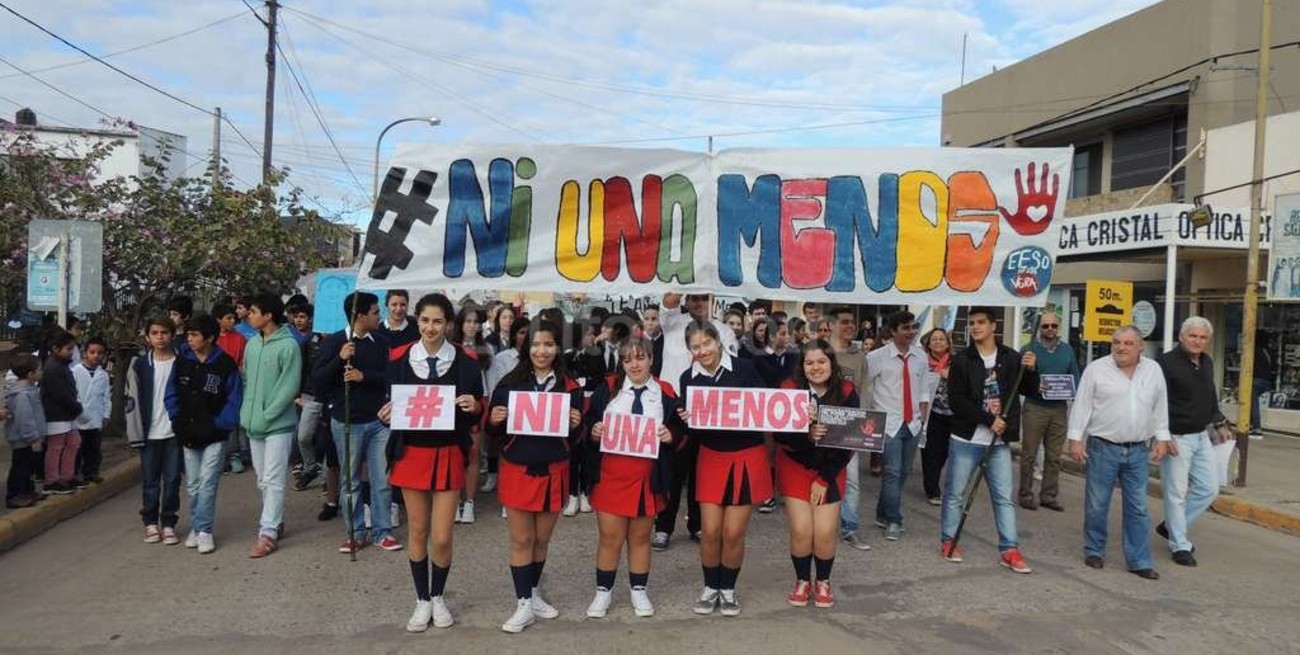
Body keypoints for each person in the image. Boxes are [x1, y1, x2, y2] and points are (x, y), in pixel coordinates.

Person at [380, 293, 483, 632]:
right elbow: (390, 403)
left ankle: (438, 595)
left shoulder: (467, 362)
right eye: (424, 320)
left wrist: (474, 407)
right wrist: (386, 414)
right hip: (411, 453)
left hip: (449, 452)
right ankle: (421, 599)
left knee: (441, 536)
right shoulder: (398, 358)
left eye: (437, 321)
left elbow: (478, 408)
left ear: (448, 324)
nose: (430, 327)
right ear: (417, 321)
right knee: (418, 530)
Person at [486, 321, 584, 633]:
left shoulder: (570, 388)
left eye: (549, 345)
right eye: (537, 344)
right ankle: (523, 604)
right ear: (527, 347)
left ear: (558, 348)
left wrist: (577, 424)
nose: (542, 351)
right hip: (518, 469)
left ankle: (532, 593)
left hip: (554, 470)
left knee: (541, 540)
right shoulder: (509, 385)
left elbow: (577, 438)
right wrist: (494, 420)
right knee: (521, 539)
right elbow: (492, 432)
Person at [582, 337, 681, 619]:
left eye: (640, 358)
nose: (634, 365)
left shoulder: (665, 392)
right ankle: (603, 592)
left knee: (640, 537)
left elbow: (679, 427)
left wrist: (671, 435)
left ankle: (639, 590)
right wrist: (594, 430)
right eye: (627, 360)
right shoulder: (607, 388)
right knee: (610, 538)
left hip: (647, 475)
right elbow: (588, 422)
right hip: (611, 473)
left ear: (651, 359)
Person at [678, 320, 771, 617]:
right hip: (711, 457)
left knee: (733, 532)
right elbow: (691, 430)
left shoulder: (745, 368)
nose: (702, 350)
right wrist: (684, 418)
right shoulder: (687, 378)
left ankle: (728, 589)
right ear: (690, 350)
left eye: (707, 343)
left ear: (718, 341)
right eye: (696, 346)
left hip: (747, 456)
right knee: (710, 531)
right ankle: (710, 587)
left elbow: (767, 408)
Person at [1068, 325, 1170, 580]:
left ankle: (1139, 561)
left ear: (1140, 346)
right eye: (1116, 342)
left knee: (1138, 508)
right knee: (1097, 504)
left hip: (1138, 450)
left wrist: (1162, 437)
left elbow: (1160, 406)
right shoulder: (1096, 369)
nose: (1121, 347)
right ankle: (1094, 550)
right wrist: (1076, 438)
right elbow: (1082, 404)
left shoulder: (1153, 370)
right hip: (1103, 447)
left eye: (1127, 343)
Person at [940, 307, 1037, 574]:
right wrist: (988, 419)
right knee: (955, 494)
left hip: (999, 442)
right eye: (972, 323)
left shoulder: (1011, 357)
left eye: (981, 322)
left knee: (1003, 497)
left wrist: (1031, 370)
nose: (975, 327)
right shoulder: (962, 359)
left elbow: (1028, 389)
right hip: (966, 439)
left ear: (993, 326)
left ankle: (1009, 549)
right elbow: (956, 400)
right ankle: (948, 540)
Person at [313, 291, 400, 554]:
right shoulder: (334, 342)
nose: (379, 316)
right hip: (347, 421)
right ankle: (355, 532)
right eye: (375, 312)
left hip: (378, 421)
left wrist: (365, 377)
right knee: (350, 481)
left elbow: (391, 377)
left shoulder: (381, 342)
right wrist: (339, 359)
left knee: (381, 479)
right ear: (360, 315)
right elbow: (318, 380)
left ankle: (383, 531)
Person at [653, 294, 739, 551]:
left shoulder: (724, 330)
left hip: (710, 408)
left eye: (704, 298)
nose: (699, 303)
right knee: (672, 471)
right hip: (674, 405)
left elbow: (730, 368)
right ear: (686, 299)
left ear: (712, 299)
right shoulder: (671, 321)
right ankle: (663, 527)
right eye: (693, 298)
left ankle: (697, 524)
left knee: (701, 470)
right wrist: (690, 277)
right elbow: (669, 299)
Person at [776, 340, 857, 609]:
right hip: (795, 466)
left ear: (832, 363)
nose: (815, 367)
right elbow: (780, 436)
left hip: (831, 468)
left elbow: (849, 442)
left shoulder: (847, 391)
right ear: (802, 366)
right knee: (801, 530)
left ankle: (823, 581)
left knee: (824, 532)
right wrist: (807, 433)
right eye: (809, 363)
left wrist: (825, 478)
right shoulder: (788, 389)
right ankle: (802, 581)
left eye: (821, 361)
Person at [1155, 316, 1234, 567]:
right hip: (1176, 438)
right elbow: (1155, 402)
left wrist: (1219, 422)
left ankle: (1171, 526)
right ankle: (1179, 545)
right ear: (1181, 336)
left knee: (1209, 489)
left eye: (1202, 337)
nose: (1197, 341)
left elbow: (1209, 395)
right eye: (1192, 336)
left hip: (1201, 436)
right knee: (1176, 493)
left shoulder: (1206, 361)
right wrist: (1163, 435)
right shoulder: (1165, 363)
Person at [167, 314, 242, 555]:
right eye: (188, 334)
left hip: (214, 433)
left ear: (209, 338)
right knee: (193, 483)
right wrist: (176, 418)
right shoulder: (182, 361)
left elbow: (233, 398)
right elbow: (171, 392)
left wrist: (220, 424)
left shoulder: (225, 364)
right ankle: (196, 527)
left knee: (208, 482)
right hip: (188, 431)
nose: (189, 339)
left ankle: (204, 530)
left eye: (195, 335)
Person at [240, 293, 305, 559]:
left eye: (254, 311)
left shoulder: (288, 346)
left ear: (268, 316)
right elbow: (246, 379)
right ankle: (275, 521)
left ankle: (267, 532)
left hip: (278, 425)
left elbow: (289, 386)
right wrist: (247, 412)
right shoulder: (252, 344)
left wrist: (268, 414)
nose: (249, 315)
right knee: (262, 479)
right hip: (253, 423)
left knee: (274, 479)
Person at [863, 311, 929, 542]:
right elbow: (864, 385)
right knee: (892, 472)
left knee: (902, 473)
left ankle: (882, 513)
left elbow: (923, 388)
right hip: (888, 422)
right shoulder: (877, 357)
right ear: (893, 331)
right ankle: (894, 519)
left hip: (913, 423)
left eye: (913, 327)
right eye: (906, 328)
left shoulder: (920, 356)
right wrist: (870, 415)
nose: (911, 332)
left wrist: (923, 416)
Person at [125, 318, 182, 544]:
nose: (160, 337)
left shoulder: (182, 361)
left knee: (173, 480)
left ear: (172, 335)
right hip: (148, 433)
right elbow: (131, 401)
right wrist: (134, 432)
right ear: (147, 336)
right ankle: (150, 523)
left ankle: (168, 523)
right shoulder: (140, 365)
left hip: (174, 433)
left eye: (164, 332)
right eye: (155, 333)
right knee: (150, 481)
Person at [1018, 311, 1080, 512]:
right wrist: (1032, 377)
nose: (1050, 329)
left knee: (1054, 456)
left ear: (1058, 327)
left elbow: (1074, 376)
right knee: (1029, 454)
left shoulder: (1067, 350)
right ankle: (1026, 494)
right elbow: (1019, 381)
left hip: (1059, 409)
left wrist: (1076, 394)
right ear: (1040, 328)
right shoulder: (1029, 349)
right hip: (1035, 408)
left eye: (1054, 325)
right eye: (1045, 326)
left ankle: (1048, 495)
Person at [827, 306, 872, 551]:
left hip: (850, 425)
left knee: (852, 481)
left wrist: (862, 421)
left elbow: (864, 390)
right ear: (831, 325)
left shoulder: (859, 357)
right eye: (844, 322)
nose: (850, 326)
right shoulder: (819, 351)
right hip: (823, 424)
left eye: (852, 322)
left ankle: (849, 529)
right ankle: (819, 526)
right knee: (821, 476)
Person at [289, 304, 327, 492]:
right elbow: (302, 368)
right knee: (303, 436)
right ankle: (310, 467)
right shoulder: (310, 341)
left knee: (329, 440)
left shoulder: (343, 339)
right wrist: (297, 394)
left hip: (333, 398)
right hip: (310, 395)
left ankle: (327, 478)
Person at [40, 330, 84, 496]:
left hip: (67, 413)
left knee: (73, 442)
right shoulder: (53, 368)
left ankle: (67, 476)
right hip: (56, 414)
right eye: (68, 349)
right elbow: (60, 394)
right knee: (56, 447)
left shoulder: (61, 365)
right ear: (56, 349)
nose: (71, 352)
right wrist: (75, 407)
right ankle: (51, 480)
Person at [919, 328, 953, 506]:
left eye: (941, 339)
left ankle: (936, 477)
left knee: (944, 453)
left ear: (948, 343)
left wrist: (950, 376)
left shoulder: (957, 361)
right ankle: (932, 489)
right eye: (934, 339)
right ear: (929, 344)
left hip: (953, 415)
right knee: (930, 453)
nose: (938, 342)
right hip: (931, 414)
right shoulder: (922, 362)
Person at [5, 355, 44, 508]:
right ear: (30, 374)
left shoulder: (30, 390)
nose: (41, 372)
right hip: (23, 439)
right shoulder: (22, 395)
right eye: (39, 370)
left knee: (28, 467)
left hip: (28, 438)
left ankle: (27, 492)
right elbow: (25, 419)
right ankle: (14, 495)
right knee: (20, 468)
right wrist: (33, 437)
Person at [72, 337, 111, 485]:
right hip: (78, 417)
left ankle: (91, 472)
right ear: (85, 353)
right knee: (77, 449)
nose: (96, 356)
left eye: (100, 353)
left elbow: (106, 397)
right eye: (92, 352)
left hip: (95, 417)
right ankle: (74, 474)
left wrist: (106, 415)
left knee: (93, 449)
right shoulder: (75, 371)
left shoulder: (103, 375)